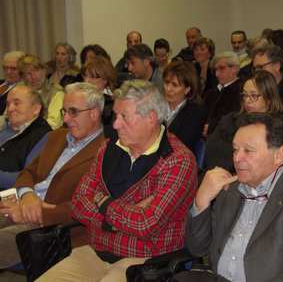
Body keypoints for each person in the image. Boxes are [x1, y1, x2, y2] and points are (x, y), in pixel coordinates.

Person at [38, 80, 198, 281]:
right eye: (115, 115)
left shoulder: (178, 160)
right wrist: (118, 218)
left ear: (151, 118)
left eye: (124, 117)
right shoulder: (108, 149)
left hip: (144, 260)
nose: (115, 124)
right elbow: (78, 203)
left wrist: (104, 203)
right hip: (95, 251)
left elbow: (146, 224)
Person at [186, 112, 283, 282]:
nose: (237, 158)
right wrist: (201, 201)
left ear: (278, 154)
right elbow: (198, 249)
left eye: (248, 150)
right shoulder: (230, 189)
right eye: (235, 149)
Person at [0, 82, 104, 269]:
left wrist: (38, 212)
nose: (66, 119)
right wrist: (27, 196)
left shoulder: (106, 151)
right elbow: (28, 172)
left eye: (73, 112)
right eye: (64, 112)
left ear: (94, 113)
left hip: (53, 227)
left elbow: (91, 204)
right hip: (22, 204)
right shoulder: (56, 137)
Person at [204, 70, 283, 173]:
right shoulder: (230, 119)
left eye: (254, 95)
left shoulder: (282, 124)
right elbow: (212, 148)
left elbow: (270, 159)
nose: (247, 100)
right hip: (219, 173)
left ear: (269, 98)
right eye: (245, 95)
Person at [0, 85, 51, 189]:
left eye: (16, 103)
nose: (10, 108)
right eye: (8, 104)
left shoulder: (44, 136)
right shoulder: (7, 129)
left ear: (36, 109)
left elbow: (29, 177)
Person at [163, 60, 206, 152]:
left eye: (175, 85)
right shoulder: (156, 105)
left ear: (187, 89)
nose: (168, 89)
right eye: (166, 82)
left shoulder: (195, 112)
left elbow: (182, 144)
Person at [18, 54, 65, 129]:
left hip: (40, 133)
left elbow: (53, 124)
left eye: (36, 71)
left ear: (44, 70)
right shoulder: (18, 90)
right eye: (28, 73)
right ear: (23, 77)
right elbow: (7, 116)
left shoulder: (56, 92)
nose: (33, 77)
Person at [203, 52, 243, 136]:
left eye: (221, 68)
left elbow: (234, 120)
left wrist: (210, 127)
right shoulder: (211, 93)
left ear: (234, 69)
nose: (217, 74)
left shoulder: (241, 91)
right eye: (215, 70)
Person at [81, 55, 117, 135]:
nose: (86, 81)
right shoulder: (82, 97)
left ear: (105, 80)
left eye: (92, 77)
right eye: (85, 76)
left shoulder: (112, 104)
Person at [0, 51, 25, 115]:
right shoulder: (1, 83)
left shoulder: (23, 90)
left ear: (23, 70)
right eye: (5, 68)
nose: (8, 72)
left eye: (13, 69)